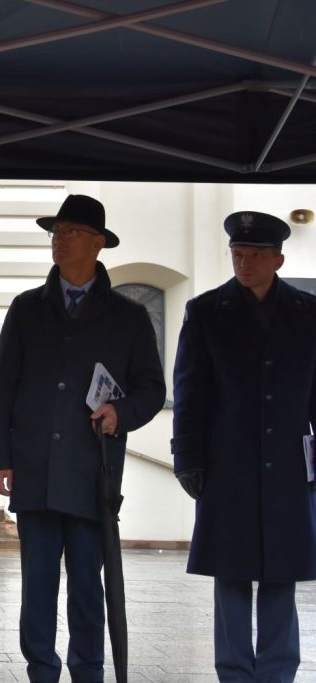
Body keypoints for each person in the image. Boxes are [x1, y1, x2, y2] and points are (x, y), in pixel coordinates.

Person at [0, 194, 165, 683]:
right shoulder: (26, 309)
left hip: (92, 474)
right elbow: (4, 387)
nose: (59, 241)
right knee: (37, 586)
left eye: (71, 232)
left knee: (88, 585)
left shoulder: (129, 316)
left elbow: (152, 388)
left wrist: (121, 412)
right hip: (35, 469)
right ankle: (41, 671)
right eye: (56, 232)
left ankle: (88, 671)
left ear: (98, 243)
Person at [171, 211, 316, 682]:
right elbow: (189, 393)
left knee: (282, 573)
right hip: (225, 465)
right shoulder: (206, 311)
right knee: (230, 573)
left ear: (278, 260)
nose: (244, 262)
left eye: (255, 255)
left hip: (289, 467)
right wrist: (187, 458)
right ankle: (233, 672)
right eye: (238, 253)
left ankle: (276, 672)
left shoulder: (309, 313)